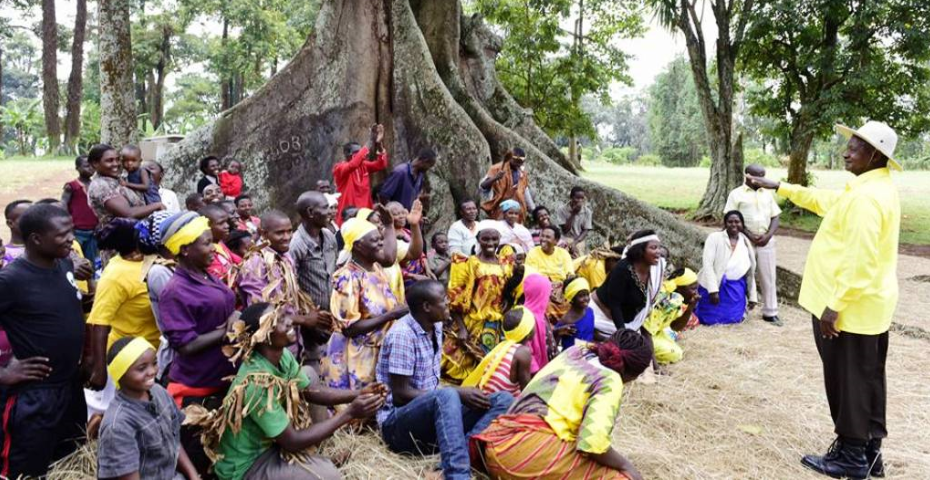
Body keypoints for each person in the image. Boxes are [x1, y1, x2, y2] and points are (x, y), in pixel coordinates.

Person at [747, 121, 901, 479]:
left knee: (847, 379)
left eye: (855, 147)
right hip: (870, 308)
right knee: (867, 379)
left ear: (875, 154)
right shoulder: (874, 187)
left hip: (850, 308)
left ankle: (850, 455)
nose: (846, 152)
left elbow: (860, 260)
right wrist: (780, 186)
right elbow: (826, 201)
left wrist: (835, 305)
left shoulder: (866, 198)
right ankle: (869, 453)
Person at [195, 302, 384, 480]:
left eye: (283, 316)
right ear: (263, 336)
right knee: (329, 476)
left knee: (309, 374)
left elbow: (311, 391)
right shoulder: (256, 382)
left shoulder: (280, 355)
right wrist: (349, 413)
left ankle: (315, 459)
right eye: (277, 321)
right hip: (247, 466)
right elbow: (292, 441)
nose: (288, 321)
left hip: (272, 447)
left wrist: (358, 394)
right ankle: (316, 464)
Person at [377, 280, 514, 480]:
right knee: (448, 394)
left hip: (430, 420)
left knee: (503, 399)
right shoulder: (402, 336)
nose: (449, 302)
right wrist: (457, 393)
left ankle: (446, 465)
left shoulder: (436, 325)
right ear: (427, 307)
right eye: (443, 300)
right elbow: (400, 395)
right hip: (398, 428)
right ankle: (458, 476)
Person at [473, 329, 651, 480]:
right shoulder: (610, 381)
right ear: (633, 374)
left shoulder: (576, 352)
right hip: (523, 457)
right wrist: (627, 466)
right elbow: (593, 444)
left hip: (496, 447)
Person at [0, 204, 87, 478]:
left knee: (68, 461)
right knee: (27, 470)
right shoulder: (11, 280)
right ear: (37, 239)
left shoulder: (64, 265)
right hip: (36, 397)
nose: (71, 238)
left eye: (71, 230)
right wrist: (2, 373)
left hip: (71, 388)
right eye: (63, 234)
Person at [322, 217, 408, 391]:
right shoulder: (347, 278)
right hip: (355, 356)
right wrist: (391, 315)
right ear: (358, 245)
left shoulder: (375, 269)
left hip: (377, 352)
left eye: (380, 238)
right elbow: (350, 328)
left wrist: (390, 225)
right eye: (374, 240)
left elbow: (389, 258)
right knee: (356, 411)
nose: (380, 243)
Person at [85, 219, 163, 410]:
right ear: (136, 245)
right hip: (130, 358)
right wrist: (99, 369)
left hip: (155, 350)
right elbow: (99, 323)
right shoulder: (115, 275)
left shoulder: (151, 260)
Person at [97, 337, 199, 480]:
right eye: (141, 368)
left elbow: (174, 440)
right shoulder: (118, 426)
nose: (152, 371)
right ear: (120, 374)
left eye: (154, 363)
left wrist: (194, 476)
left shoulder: (159, 392)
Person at [238, 211, 332, 361]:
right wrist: (304, 320)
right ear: (263, 233)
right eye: (280, 233)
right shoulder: (255, 264)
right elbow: (262, 316)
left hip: (291, 341)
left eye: (289, 231)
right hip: (270, 347)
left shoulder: (285, 256)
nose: (287, 237)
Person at [442, 220, 517, 382]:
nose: (490, 243)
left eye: (494, 239)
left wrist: (507, 301)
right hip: (470, 323)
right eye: (485, 239)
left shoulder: (506, 264)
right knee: (460, 366)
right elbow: (455, 299)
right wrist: (461, 328)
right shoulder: (468, 264)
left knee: (485, 367)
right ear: (478, 239)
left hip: (494, 324)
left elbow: (509, 291)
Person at [289, 191, 338, 388]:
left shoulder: (328, 236)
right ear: (310, 212)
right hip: (310, 318)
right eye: (325, 208)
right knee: (313, 363)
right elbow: (291, 285)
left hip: (332, 313)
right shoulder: (296, 245)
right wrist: (306, 316)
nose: (330, 212)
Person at [725, 164, 782, 325]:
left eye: (764, 176)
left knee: (768, 275)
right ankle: (740, 309)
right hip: (743, 239)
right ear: (748, 176)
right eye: (759, 176)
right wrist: (748, 234)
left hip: (766, 240)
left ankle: (770, 312)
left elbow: (775, 216)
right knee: (742, 273)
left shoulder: (767, 194)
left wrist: (768, 235)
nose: (763, 180)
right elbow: (730, 218)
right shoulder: (736, 194)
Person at [592, 230, 667, 337]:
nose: (659, 252)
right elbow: (615, 306)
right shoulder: (622, 269)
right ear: (640, 251)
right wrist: (623, 335)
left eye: (659, 247)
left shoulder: (655, 270)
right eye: (653, 248)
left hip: (630, 324)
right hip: (603, 319)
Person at [695, 211, 758, 325]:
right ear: (725, 224)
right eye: (730, 222)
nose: (734, 225)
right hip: (715, 285)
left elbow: (750, 271)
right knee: (708, 318)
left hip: (735, 289)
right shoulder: (714, 238)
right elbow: (708, 264)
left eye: (737, 222)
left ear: (742, 224)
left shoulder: (745, 242)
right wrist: (713, 291)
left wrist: (753, 296)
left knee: (734, 318)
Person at [87, 144, 164, 230]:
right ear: (95, 163)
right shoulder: (100, 186)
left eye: (117, 159)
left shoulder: (117, 179)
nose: (116, 164)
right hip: (119, 238)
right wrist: (157, 205)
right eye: (109, 161)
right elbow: (128, 213)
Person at [461, 306, 534, 395]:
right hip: (499, 403)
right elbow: (526, 389)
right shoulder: (522, 352)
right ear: (528, 333)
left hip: (486, 396)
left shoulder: (502, 346)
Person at [333, 124, 389, 225]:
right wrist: (370, 141)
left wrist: (379, 144)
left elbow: (382, 164)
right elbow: (352, 165)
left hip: (365, 214)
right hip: (349, 216)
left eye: (361, 151)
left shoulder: (364, 165)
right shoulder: (339, 168)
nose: (364, 154)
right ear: (347, 154)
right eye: (357, 152)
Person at [644, 268, 699, 366]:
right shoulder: (667, 301)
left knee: (673, 338)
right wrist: (654, 366)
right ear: (679, 288)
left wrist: (690, 307)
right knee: (676, 354)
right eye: (693, 288)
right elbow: (645, 331)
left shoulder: (676, 299)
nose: (696, 292)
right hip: (642, 334)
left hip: (656, 332)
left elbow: (675, 327)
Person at [61, 156, 100, 265]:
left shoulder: (96, 185)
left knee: (91, 259)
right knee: (75, 256)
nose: (90, 169)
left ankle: (90, 280)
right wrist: (68, 224)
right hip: (76, 230)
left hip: (94, 230)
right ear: (77, 168)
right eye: (86, 166)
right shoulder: (72, 186)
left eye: (92, 166)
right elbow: (63, 204)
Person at [480, 148, 536, 221]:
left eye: (521, 162)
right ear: (510, 159)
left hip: (517, 211)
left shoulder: (522, 172)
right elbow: (483, 186)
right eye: (517, 162)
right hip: (499, 210)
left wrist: (533, 209)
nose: (519, 165)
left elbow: (524, 190)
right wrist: (495, 177)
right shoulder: (496, 168)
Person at [521, 273, 554, 374]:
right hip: (537, 373)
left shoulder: (541, 313)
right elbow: (526, 348)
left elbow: (544, 335)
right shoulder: (527, 320)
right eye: (547, 294)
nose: (549, 297)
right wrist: (536, 372)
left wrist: (556, 332)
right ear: (540, 295)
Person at [554, 277, 596, 350]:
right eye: (581, 296)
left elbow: (591, 332)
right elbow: (554, 338)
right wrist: (558, 332)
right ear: (572, 298)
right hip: (571, 356)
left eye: (587, 294)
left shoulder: (590, 311)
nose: (586, 298)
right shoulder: (567, 319)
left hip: (588, 352)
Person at [555, 186, 593, 256]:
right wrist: (573, 213)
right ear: (571, 197)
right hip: (565, 237)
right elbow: (565, 230)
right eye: (577, 198)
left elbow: (585, 230)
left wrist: (575, 243)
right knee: (562, 253)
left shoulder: (587, 212)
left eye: (582, 198)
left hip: (578, 239)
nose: (580, 201)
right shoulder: (562, 210)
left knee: (578, 253)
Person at [2, 200, 32, 264]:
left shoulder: (45, 251)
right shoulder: (3, 254)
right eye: (27, 218)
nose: (34, 221)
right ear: (10, 223)